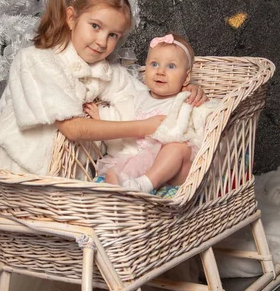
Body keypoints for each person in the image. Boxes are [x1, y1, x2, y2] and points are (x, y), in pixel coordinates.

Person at [0, 0, 207, 225]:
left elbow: (148, 97)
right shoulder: (36, 61)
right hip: (22, 175)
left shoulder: (105, 70)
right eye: (95, 26)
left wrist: (185, 91)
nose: (103, 42)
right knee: (9, 242)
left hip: (74, 176)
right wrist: (142, 127)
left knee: (64, 252)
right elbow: (73, 129)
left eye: (113, 34)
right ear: (71, 18)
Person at [85, 33, 219, 195]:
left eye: (171, 66)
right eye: (154, 64)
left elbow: (207, 117)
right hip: (139, 161)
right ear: (145, 68)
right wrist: (101, 117)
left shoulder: (185, 99)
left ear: (186, 77)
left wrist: (203, 100)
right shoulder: (137, 97)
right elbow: (122, 118)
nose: (160, 71)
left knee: (178, 148)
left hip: (174, 170)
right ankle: (118, 201)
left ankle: (145, 184)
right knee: (113, 172)